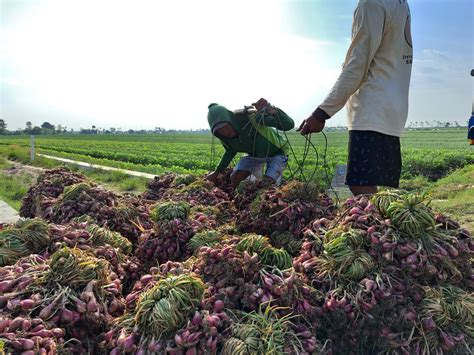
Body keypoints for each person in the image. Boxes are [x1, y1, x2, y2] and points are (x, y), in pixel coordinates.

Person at [298, 0, 413, 196]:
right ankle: (382, 223)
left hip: (372, 106)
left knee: (360, 184)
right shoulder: (400, 3)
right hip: (393, 108)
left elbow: (357, 64)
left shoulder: (371, 2)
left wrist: (322, 113)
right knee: (370, 184)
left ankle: (378, 226)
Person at [207, 98, 295, 188]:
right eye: (220, 130)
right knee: (235, 178)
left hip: (277, 152)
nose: (225, 132)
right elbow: (230, 151)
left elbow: (289, 125)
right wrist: (217, 171)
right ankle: (241, 198)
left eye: (226, 126)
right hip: (254, 155)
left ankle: (263, 192)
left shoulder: (253, 118)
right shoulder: (224, 137)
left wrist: (275, 111)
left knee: (267, 184)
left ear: (230, 120)